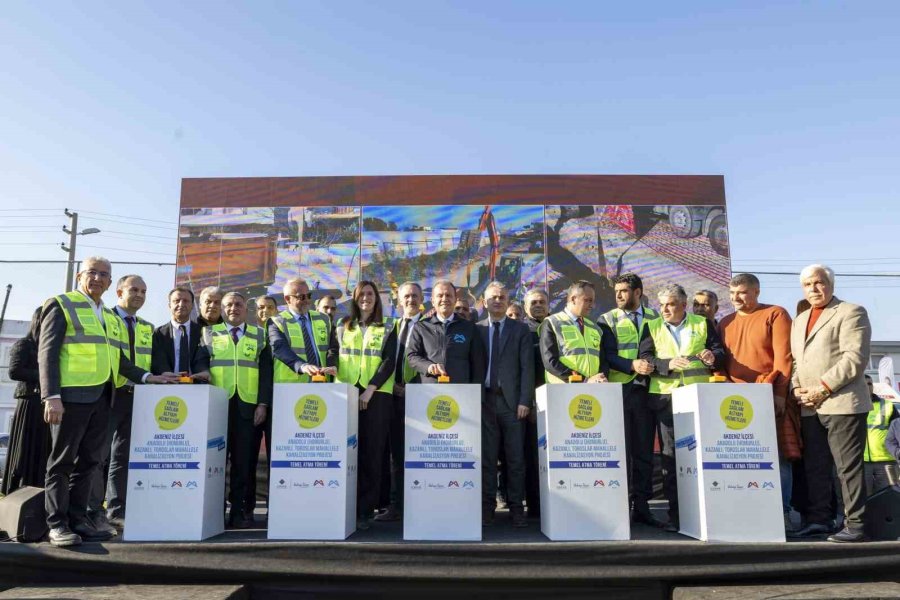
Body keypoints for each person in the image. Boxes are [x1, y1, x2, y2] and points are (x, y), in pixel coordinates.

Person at [38, 257, 178, 547]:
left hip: (104, 397)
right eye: (92, 272)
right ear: (80, 275)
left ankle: (80, 520)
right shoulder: (62, 303)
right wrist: (51, 396)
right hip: (71, 397)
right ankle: (56, 524)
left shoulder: (109, 316)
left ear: (110, 282)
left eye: (104, 274)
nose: (98, 278)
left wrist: (149, 377)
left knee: (90, 463)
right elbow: (47, 353)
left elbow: (120, 361)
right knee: (62, 463)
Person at [790, 264, 872, 543]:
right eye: (808, 285)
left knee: (846, 468)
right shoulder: (799, 320)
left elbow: (854, 359)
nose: (813, 289)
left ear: (831, 284)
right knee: (815, 466)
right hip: (810, 406)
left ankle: (856, 524)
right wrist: (797, 388)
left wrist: (822, 388)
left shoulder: (851, 312)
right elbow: (797, 363)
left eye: (819, 282)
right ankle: (819, 520)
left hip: (842, 403)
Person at [639, 283, 725, 532]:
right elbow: (645, 359)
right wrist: (667, 363)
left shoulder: (702, 323)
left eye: (670, 304)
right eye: (662, 305)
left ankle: (707, 513)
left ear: (683, 305)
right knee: (671, 458)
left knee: (702, 455)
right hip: (666, 399)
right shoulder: (651, 325)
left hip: (698, 397)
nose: (665, 309)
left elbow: (719, 351)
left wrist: (713, 356)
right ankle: (676, 516)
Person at [717, 273, 799, 533]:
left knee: (778, 457)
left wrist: (779, 394)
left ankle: (783, 512)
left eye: (741, 292)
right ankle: (746, 512)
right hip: (736, 402)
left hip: (769, 396)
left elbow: (783, 358)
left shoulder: (776, 314)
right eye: (732, 294)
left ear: (756, 291)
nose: (736, 298)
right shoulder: (725, 322)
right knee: (739, 459)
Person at [195, 292, 272, 529]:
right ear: (222, 308)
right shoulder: (209, 333)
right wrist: (204, 371)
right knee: (216, 462)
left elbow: (267, 373)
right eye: (228, 305)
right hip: (218, 407)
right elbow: (199, 361)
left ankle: (241, 512)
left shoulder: (260, 335)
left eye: (238, 305)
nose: (233, 309)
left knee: (244, 463)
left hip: (249, 409)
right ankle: (214, 512)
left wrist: (263, 404)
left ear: (246, 309)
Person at [88, 275, 156, 534]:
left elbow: (149, 362)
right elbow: (119, 360)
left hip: (135, 396)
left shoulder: (146, 327)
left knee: (122, 458)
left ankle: (115, 512)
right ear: (118, 292)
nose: (139, 294)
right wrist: (148, 376)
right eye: (134, 289)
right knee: (97, 456)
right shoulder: (104, 317)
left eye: (143, 291)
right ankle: (91, 512)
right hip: (108, 395)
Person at [335, 281, 397, 530]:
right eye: (362, 294)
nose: (366, 298)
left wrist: (370, 389)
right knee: (349, 453)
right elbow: (333, 352)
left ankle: (364, 512)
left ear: (377, 299)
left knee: (372, 454)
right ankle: (346, 507)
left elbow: (389, 361)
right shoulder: (342, 325)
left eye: (371, 294)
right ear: (355, 298)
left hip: (377, 395)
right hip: (348, 393)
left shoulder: (388, 326)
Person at [599, 273, 659, 527]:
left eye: (624, 290)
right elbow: (607, 354)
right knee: (620, 451)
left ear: (638, 292)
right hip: (619, 390)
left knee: (644, 451)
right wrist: (632, 365)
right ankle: (620, 505)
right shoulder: (607, 318)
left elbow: (663, 349)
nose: (619, 295)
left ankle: (642, 506)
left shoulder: (656, 317)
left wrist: (649, 366)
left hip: (647, 389)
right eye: (617, 291)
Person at [477, 282, 533, 527]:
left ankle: (516, 507)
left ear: (508, 300)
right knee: (488, 459)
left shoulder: (520, 330)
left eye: (502, 297)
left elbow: (527, 368)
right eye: (493, 297)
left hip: (512, 405)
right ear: (484, 301)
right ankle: (487, 508)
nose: (497, 301)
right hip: (484, 402)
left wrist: (524, 401)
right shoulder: (475, 329)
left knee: (515, 458)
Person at [375, 282, 423, 523]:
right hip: (390, 396)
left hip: (419, 398)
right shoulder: (390, 327)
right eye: (406, 296)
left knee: (417, 453)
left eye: (415, 295)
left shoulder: (429, 326)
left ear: (421, 298)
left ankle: (417, 503)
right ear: (398, 301)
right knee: (394, 453)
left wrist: (411, 389)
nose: (410, 300)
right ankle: (395, 505)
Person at [1, 308, 49, 496]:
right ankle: (19, 490)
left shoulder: (52, 348)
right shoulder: (25, 344)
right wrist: (47, 375)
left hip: (47, 403)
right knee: (25, 451)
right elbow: (15, 371)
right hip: (30, 403)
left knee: (43, 451)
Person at [407, 280, 485, 385]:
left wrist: (478, 395)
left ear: (455, 299)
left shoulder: (469, 327)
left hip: (460, 392)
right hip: (429, 392)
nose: (444, 299)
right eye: (440, 295)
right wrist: (428, 367)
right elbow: (412, 356)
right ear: (433, 301)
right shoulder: (421, 327)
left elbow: (478, 364)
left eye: (448, 295)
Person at [268, 278, 338, 384]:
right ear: (287, 299)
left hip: (321, 383)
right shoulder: (276, 321)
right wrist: (302, 366)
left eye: (308, 295)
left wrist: (331, 365)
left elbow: (332, 348)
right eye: (301, 297)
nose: (307, 300)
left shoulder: (323, 319)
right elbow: (280, 349)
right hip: (290, 387)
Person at [539, 280, 609, 384]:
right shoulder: (552, 322)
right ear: (573, 299)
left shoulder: (595, 327)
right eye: (587, 300)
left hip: (593, 391)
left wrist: (600, 378)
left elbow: (602, 361)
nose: (592, 305)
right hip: (562, 391)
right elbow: (550, 362)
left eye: (592, 301)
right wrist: (584, 380)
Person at [522, 289, 549, 519]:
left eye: (542, 302)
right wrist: (529, 401)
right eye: (533, 302)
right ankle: (534, 506)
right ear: (524, 307)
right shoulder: (521, 330)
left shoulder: (556, 327)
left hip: (556, 402)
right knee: (532, 456)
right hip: (531, 403)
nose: (538, 305)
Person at [152, 287, 204, 376]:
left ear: (192, 306)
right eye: (176, 301)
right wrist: (165, 372)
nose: (181, 304)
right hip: (168, 384)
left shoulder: (203, 332)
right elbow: (158, 359)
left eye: (186, 301)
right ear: (169, 305)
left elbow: (204, 358)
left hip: (197, 384)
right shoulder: (158, 333)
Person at [863, 375, 899, 496]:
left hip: (886, 461)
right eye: (864, 384)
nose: (868, 387)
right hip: (862, 462)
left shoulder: (887, 405)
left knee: (889, 497)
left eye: (870, 384)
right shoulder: (852, 407)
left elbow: (897, 432)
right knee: (864, 500)